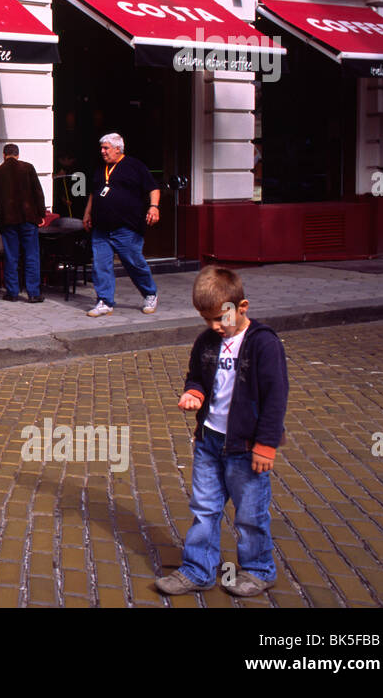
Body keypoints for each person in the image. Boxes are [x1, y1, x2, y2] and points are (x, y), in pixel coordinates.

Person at [156, 266, 288, 598]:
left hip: (247, 445)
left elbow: (276, 397)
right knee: (204, 507)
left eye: (220, 318)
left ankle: (259, 569)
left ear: (242, 307)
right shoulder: (207, 341)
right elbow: (196, 376)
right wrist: (194, 393)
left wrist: (266, 445)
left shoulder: (264, 343)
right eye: (207, 320)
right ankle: (198, 569)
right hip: (209, 440)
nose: (215, 326)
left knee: (249, 512)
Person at [82, 132, 159, 317]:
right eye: (101, 148)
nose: (102, 152)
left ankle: (150, 293)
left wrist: (154, 207)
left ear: (118, 149)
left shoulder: (134, 166)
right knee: (101, 265)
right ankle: (104, 301)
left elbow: (153, 188)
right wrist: (87, 213)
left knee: (134, 263)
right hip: (101, 228)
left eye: (106, 148)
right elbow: (95, 192)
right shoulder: (101, 169)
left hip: (126, 228)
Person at [0, 143, 47, 303]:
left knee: (11, 256)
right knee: (32, 255)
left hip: (7, 220)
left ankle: (12, 293)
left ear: (4, 155)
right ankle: (33, 293)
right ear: (17, 155)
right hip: (28, 218)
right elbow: (39, 193)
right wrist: (41, 215)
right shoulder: (28, 168)